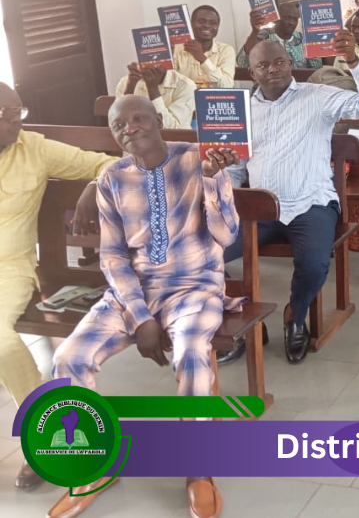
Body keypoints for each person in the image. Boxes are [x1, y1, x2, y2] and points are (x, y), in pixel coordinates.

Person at [48, 96, 240, 518]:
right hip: (132, 290)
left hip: (195, 287)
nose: (130, 127)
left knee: (191, 354)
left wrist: (210, 180)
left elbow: (227, 236)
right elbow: (113, 257)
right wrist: (140, 317)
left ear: (158, 120)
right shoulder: (112, 178)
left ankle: (199, 470)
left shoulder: (199, 159)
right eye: (120, 123)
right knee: (67, 358)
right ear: (114, 134)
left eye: (138, 118)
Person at [222, 31, 359, 364]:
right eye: (263, 65)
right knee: (203, 253)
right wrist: (220, 186)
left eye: (280, 61)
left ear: (291, 63)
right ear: (251, 72)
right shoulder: (239, 110)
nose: (273, 70)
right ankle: (241, 316)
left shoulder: (317, 96)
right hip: (259, 208)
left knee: (313, 264)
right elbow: (236, 169)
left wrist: (353, 61)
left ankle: (295, 315)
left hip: (310, 203)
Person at [0, 84, 113, 492]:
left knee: (1, 342)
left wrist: (91, 186)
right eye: (9, 113)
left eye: (19, 110)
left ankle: (46, 441)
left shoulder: (35, 148)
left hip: (8, 268)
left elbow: (104, 164)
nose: (18, 119)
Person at [237, 1, 322, 70]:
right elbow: (243, 62)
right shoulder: (263, 36)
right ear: (276, 19)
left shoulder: (302, 39)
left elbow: (317, 67)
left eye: (294, 19)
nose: (291, 22)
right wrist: (255, 31)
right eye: (286, 18)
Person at [115, 61, 196, 129]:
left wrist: (152, 88)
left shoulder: (186, 85)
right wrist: (130, 88)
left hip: (172, 143)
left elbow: (174, 129)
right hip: (135, 142)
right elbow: (117, 124)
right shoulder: (126, 82)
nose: (151, 63)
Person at [173, 5, 236, 89]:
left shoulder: (226, 50)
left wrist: (202, 58)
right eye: (201, 21)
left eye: (213, 23)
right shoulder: (177, 49)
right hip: (185, 101)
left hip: (213, 100)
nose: (206, 26)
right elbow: (171, 85)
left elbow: (226, 86)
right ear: (191, 24)